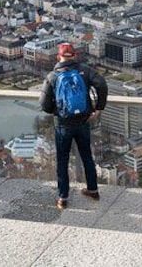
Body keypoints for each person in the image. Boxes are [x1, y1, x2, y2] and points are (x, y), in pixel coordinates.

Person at [40, 42, 108, 210]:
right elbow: (101, 84)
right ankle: (93, 189)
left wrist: (56, 110)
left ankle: (63, 197)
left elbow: (44, 104)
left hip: (62, 124)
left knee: (62, 160)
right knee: (86, 156)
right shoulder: (85, 71)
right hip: (83, 121)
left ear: (58, 57)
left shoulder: (52, 76)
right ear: (75, 56)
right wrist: (99, 108)